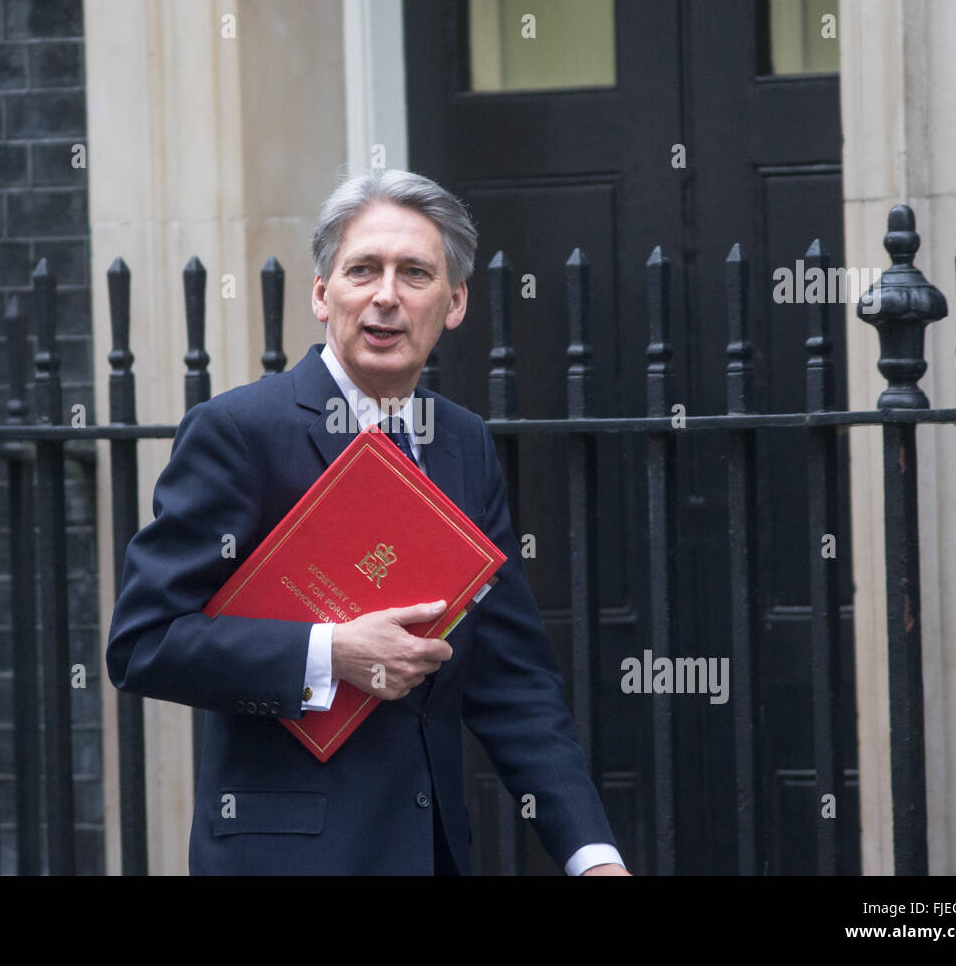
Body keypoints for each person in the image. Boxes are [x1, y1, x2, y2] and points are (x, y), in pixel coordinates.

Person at [106, 169, 628, 876]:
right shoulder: (240, 431)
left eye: (415, 272)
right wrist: (329, 652)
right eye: (363, 270)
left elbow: (512, 678)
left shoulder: (464, 443)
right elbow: (143, 643)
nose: (387, 295)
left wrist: (591, 855)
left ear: (455, 302)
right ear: (322, 293)